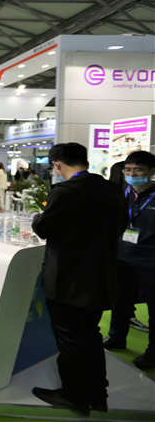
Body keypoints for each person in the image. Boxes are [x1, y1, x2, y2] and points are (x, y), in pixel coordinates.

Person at [30, 143, 127, 415]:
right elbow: (121, 225)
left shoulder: (64, 192)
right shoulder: (111, 189)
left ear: (57, 164)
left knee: (70, 340)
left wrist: (37, 217)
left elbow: (44, 228)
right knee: (91, 336)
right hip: (100, 277)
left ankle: (74, 396)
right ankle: (98, 395)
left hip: (68, 279)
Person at [103, 151, 155, 370]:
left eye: (138, 170)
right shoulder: (122, 194)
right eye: (128, 170)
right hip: (122, 258)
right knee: (120, 301)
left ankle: (152, 353)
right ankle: (116, 337)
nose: (132, 174)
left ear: (151, 172)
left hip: (150, 262)